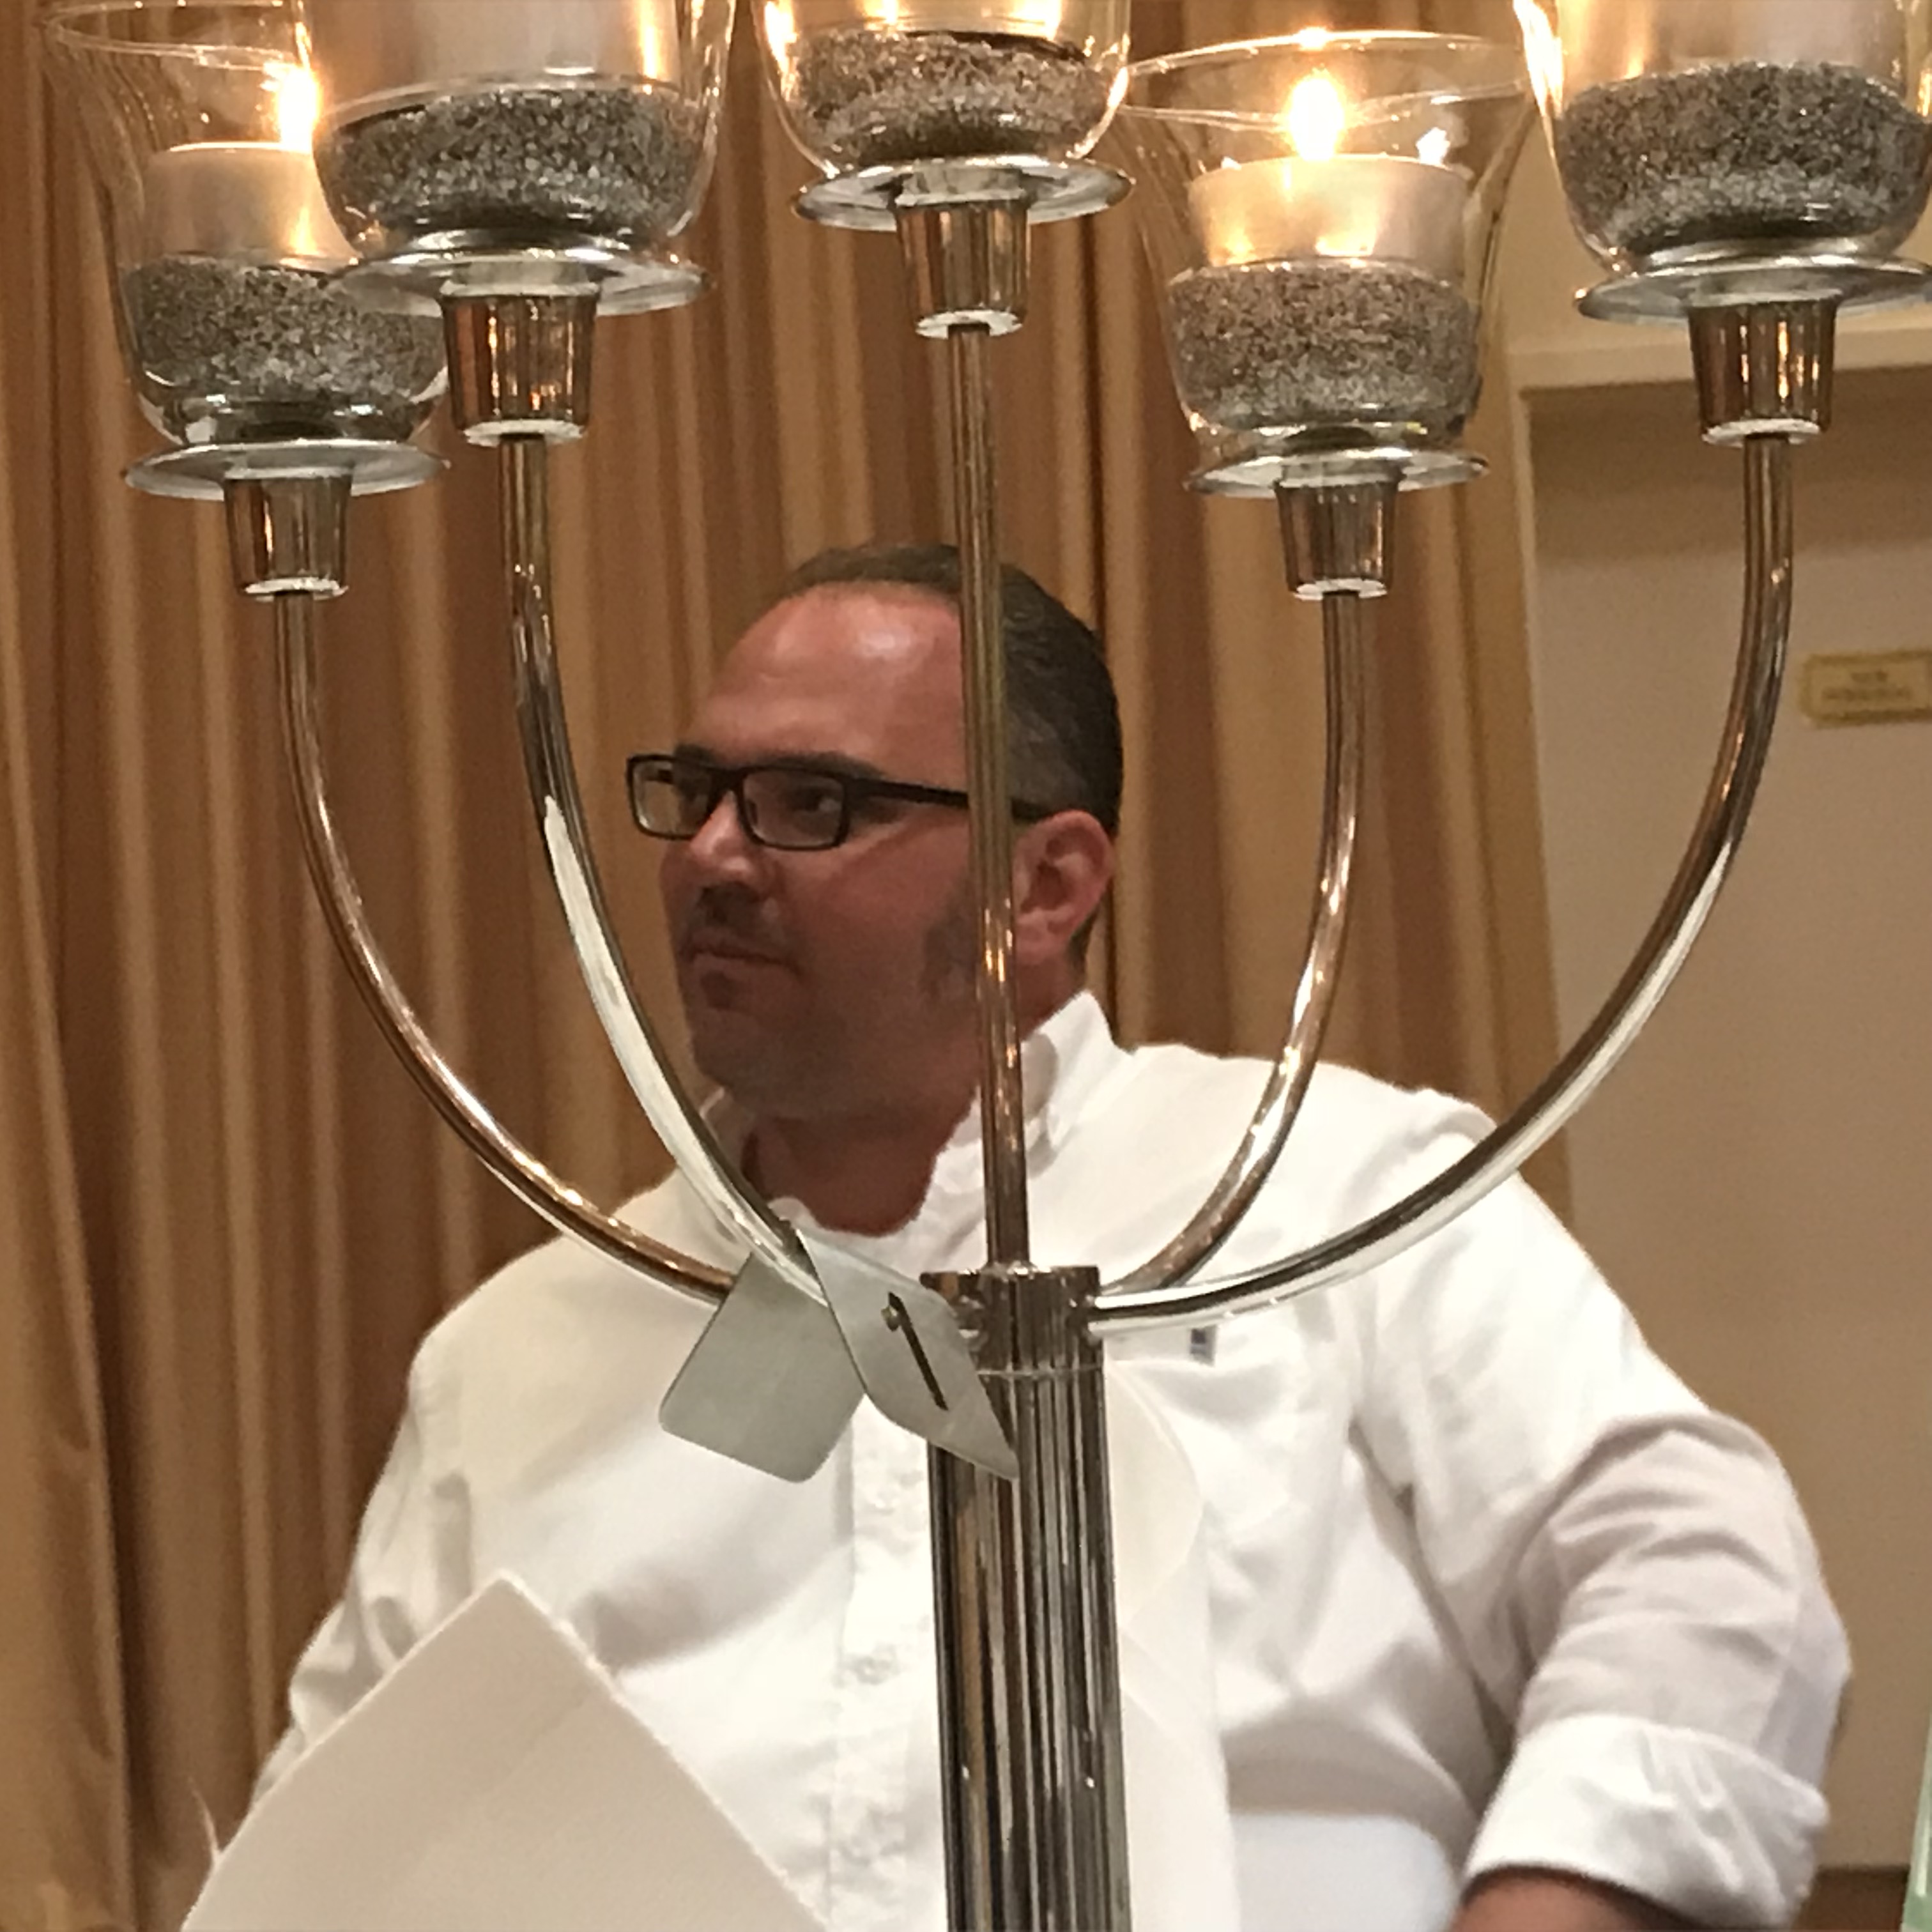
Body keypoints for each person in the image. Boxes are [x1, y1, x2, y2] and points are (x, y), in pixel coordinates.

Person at [256, 544, 1848, 1932]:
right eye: (698, 791)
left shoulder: (1335, 1198)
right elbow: (322, 1849)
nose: (716, 859)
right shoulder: (523, 1350)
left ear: (1046, 883)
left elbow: (1702, 1580)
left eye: (810, 804)